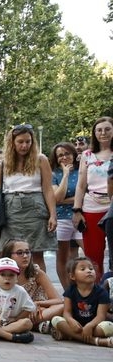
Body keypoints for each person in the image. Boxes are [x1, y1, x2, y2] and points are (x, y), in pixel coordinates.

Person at [0, 123, 57, 272]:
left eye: (28, 141)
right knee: (9, 253)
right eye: (20, 142)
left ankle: (39, 291)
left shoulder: (41, 159)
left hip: (35, 207)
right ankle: (11, 290)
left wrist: (53, 215)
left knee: (36, 253)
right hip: (10, 209)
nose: (24, 146)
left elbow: (48, 189)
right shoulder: (3, 162)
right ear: (12, 143)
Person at [73, 117, 113, 279]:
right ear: (94, 133)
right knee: (93, 256)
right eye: (99, 130)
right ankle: (96, 296)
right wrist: (77, 210)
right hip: (91, 207)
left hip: (112, 208)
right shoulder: (87, 155)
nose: (103, 133)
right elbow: (81, 185)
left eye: (107, 129)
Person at [1, 239, 63, 334]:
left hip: (37, 312)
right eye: (20, 253)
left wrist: (37, 303)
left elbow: (58, 300)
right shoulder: (2, 274)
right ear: (9, 256)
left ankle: (31, 325)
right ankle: (37, 325)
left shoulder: (37, 273)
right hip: (13, 312)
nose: (25, 256)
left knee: (62, 306)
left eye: (27, 252)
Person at [51, 256, 113, 347]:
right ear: (72, 276)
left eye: (91, 268)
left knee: (109, 326)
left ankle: (70, 336)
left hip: (94, 326)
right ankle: (96, 341)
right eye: (83, 269)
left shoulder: (101, 292)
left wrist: (90, 326)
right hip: (76, 326)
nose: (89, 271)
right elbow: (66, 312)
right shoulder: (70, 290)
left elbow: (101, 316)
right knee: (55, 320)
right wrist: (71, 321)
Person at [50, 142, 83, 290]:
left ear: (73, 154)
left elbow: (87, 193)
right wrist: (65, 174)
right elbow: (57, 198)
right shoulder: (54, 174)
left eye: (67, 154)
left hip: (81, 217)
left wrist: (67, 199)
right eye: (60, 155)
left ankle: (90, 290)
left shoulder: (83, 169)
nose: (64, 157)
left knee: (90, 253)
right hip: (62, 219)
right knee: (62, 258)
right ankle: (68, 293)